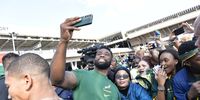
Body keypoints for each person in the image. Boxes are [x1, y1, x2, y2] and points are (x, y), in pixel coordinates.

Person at [50, 17, 120, 100]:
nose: (102, 55)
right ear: (94, 58)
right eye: (99, 53)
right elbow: (56, 80)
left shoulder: (115, 90)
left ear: (112, 60)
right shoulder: (81, 75)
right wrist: (63, 41)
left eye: (106, 54)